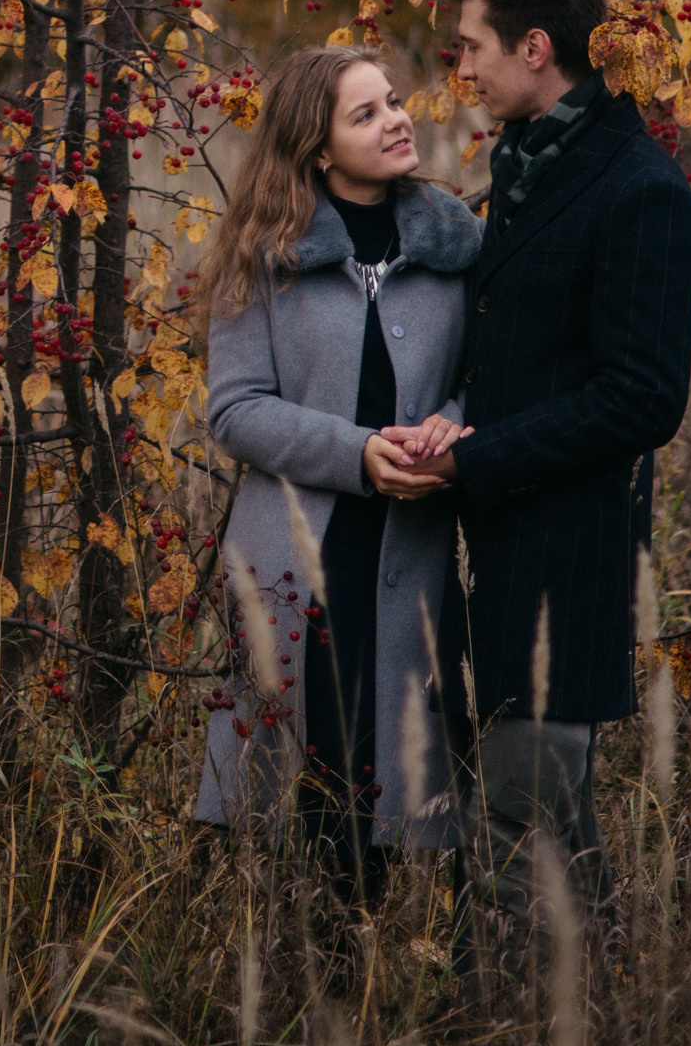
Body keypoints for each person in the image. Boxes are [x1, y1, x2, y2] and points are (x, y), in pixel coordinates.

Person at [390, 0, 691, 953]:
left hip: (564, 567)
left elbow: (639, 400)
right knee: (542, 848)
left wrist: (472, 456)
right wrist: (457, 412)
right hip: (487, 563)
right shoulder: (529, 163)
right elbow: (531, 348)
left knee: (518, 846)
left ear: (534, 47)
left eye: (469, 44)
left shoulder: (640, 191)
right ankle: (575, 1002)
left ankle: (528, 1014)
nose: (460, 67)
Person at [193, 46, 482, 889]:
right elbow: (235, 408)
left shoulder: (455, 244)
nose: (397, 120)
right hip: (296, 565)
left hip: (419, 555)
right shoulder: (262, 254)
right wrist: (357, 451)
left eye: (393, 102)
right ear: (317, 148)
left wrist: (450, 431)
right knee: (311, 806)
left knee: (406, 788)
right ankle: (318, 977)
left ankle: (399, 982)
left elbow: (485, 381)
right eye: (366, 114)